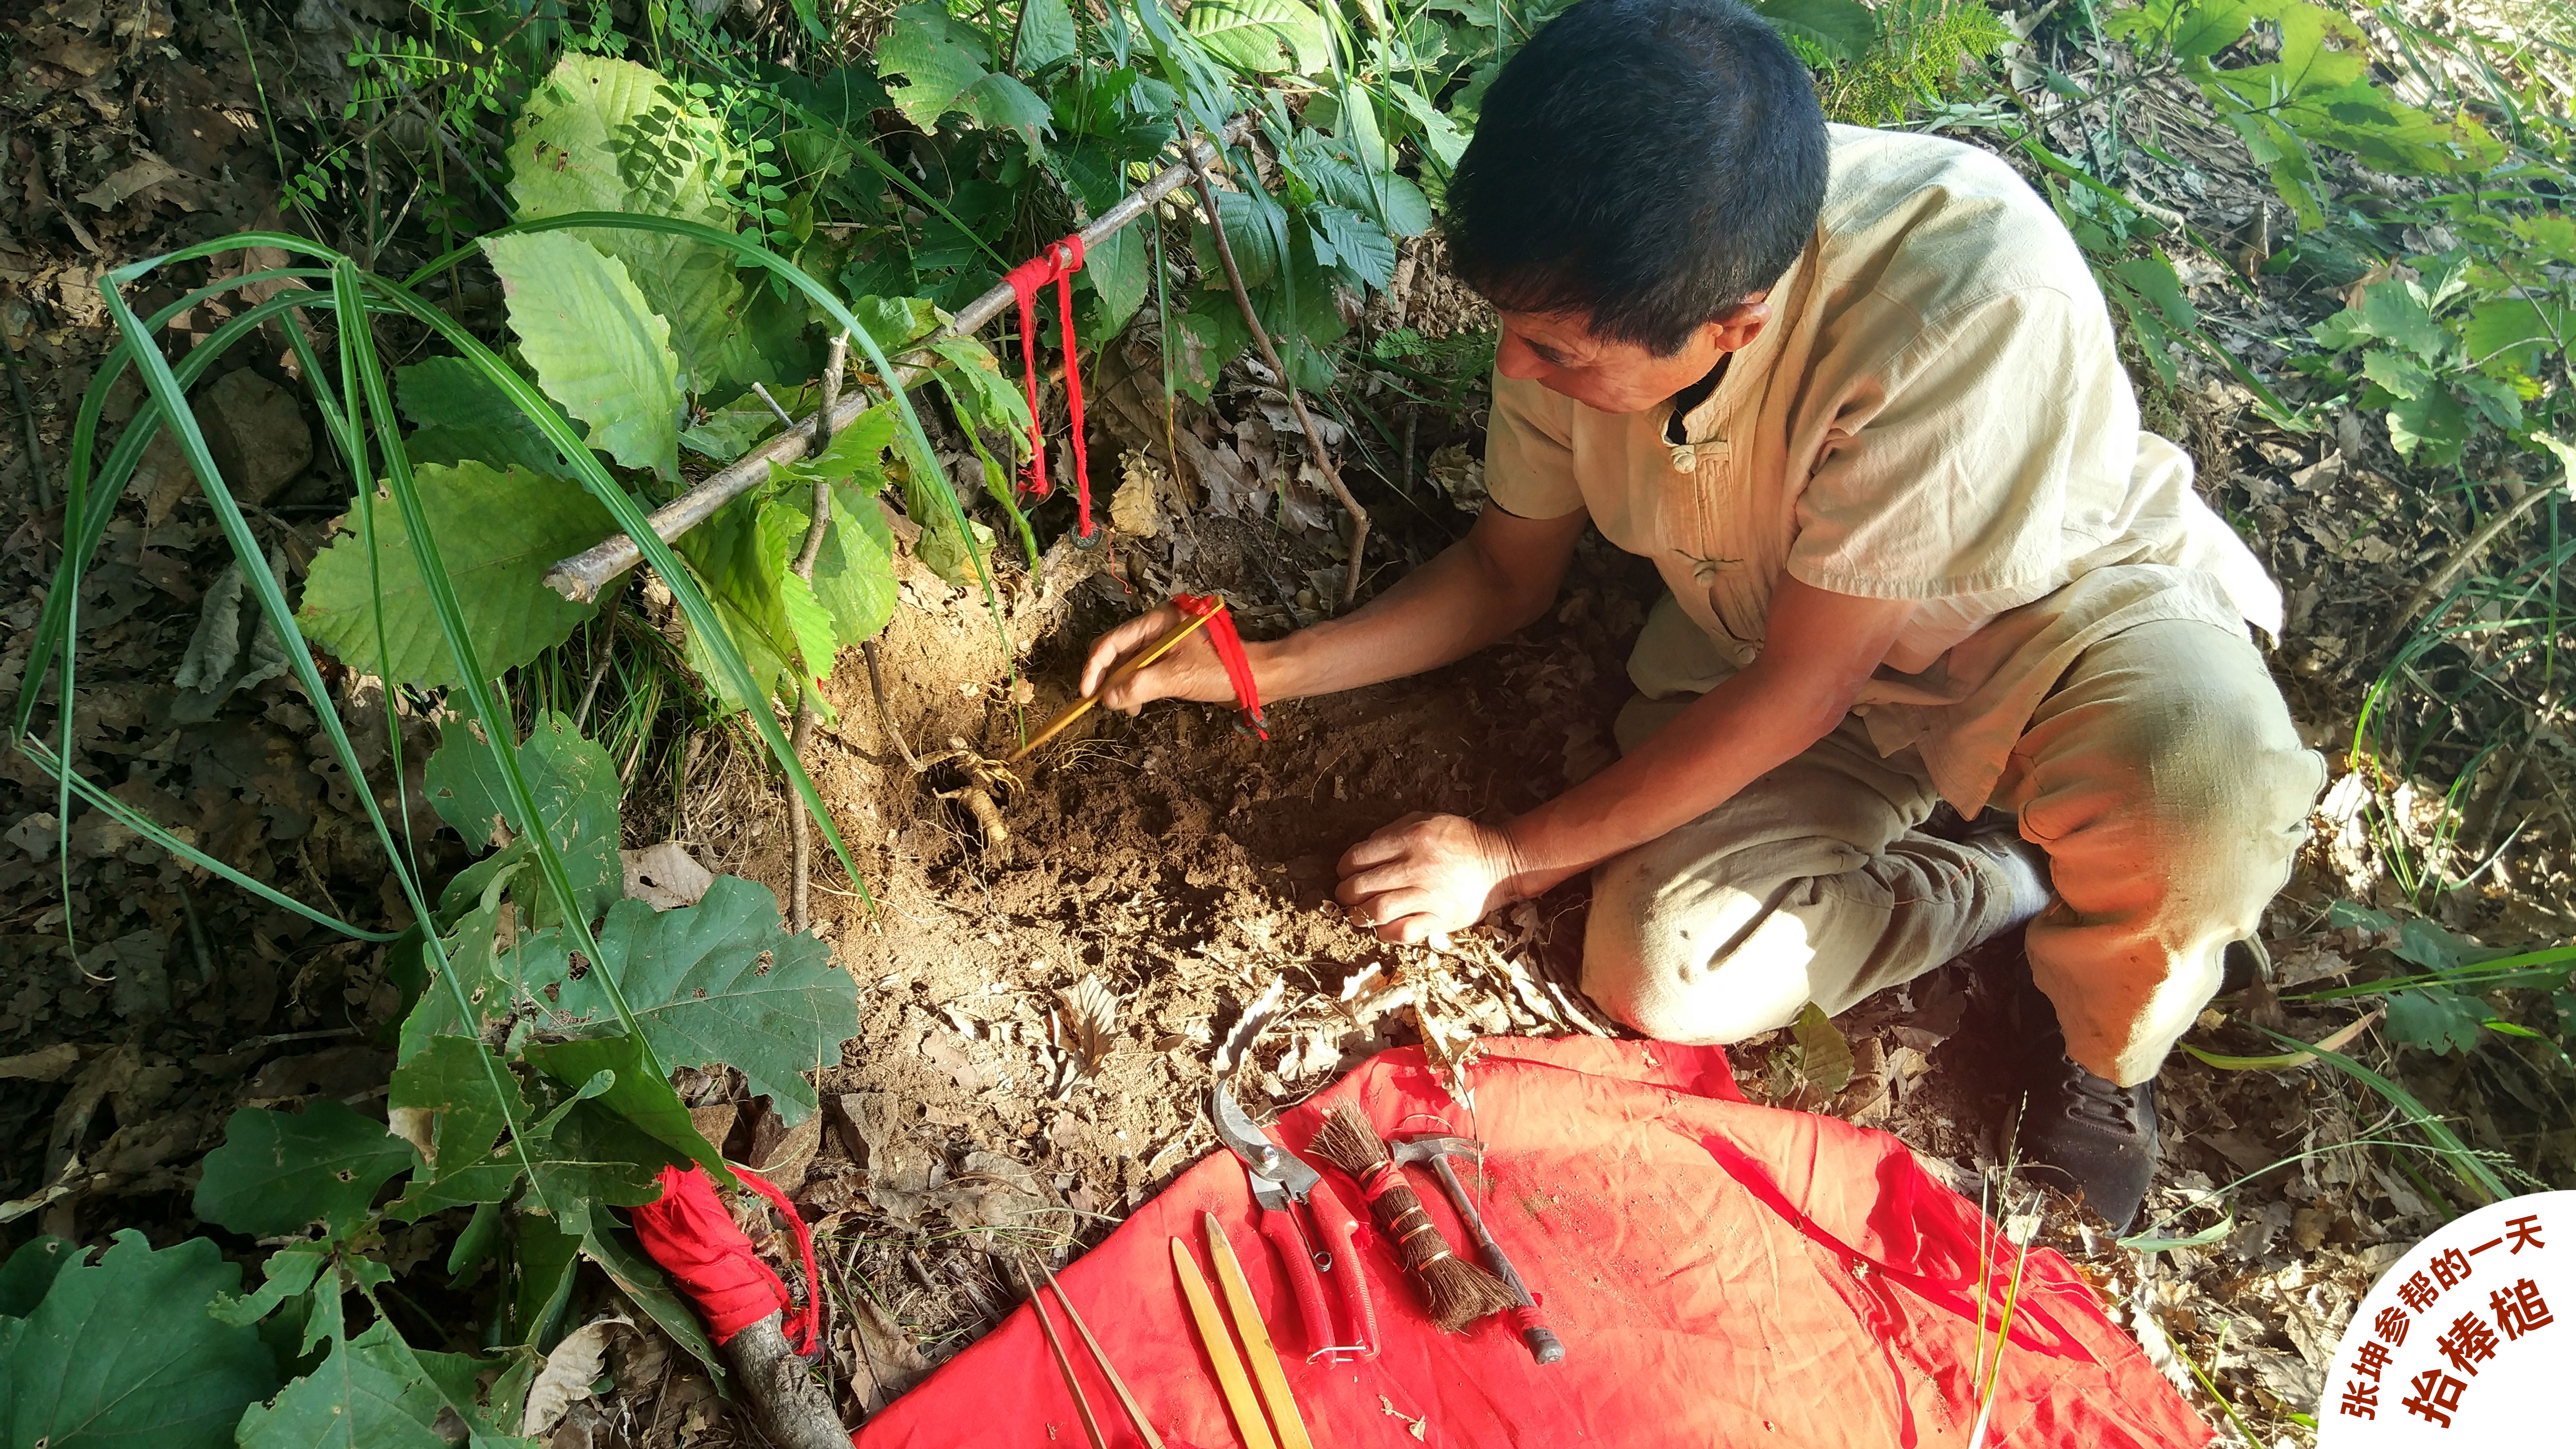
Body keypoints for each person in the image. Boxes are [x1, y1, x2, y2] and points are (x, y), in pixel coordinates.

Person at [1079, 0, 2323, 1229]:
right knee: (1658, 966)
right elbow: (1507, 574)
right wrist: (1259, 667)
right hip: (1773, 651)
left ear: (1734, 327)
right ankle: (2001, 882)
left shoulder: (1965, 291)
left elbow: (1805, 690)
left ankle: (2103, 1043)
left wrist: (1509, 858)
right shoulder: (1601, 275)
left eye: (1559, 356)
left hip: (2044, 626)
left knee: (2201, 791)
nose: (1517, 373)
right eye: (1513, 334)